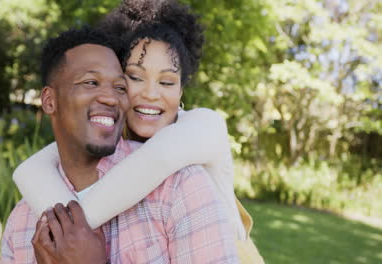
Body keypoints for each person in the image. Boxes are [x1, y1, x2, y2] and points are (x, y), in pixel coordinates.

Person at [14, 1, 264, 263]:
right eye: (134, 77)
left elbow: (157, 159)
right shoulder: (111, 138)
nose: (150, 94)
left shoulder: (203, 126)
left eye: (166, 82)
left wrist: (67, 235)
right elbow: (30, 169)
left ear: (180, 91)